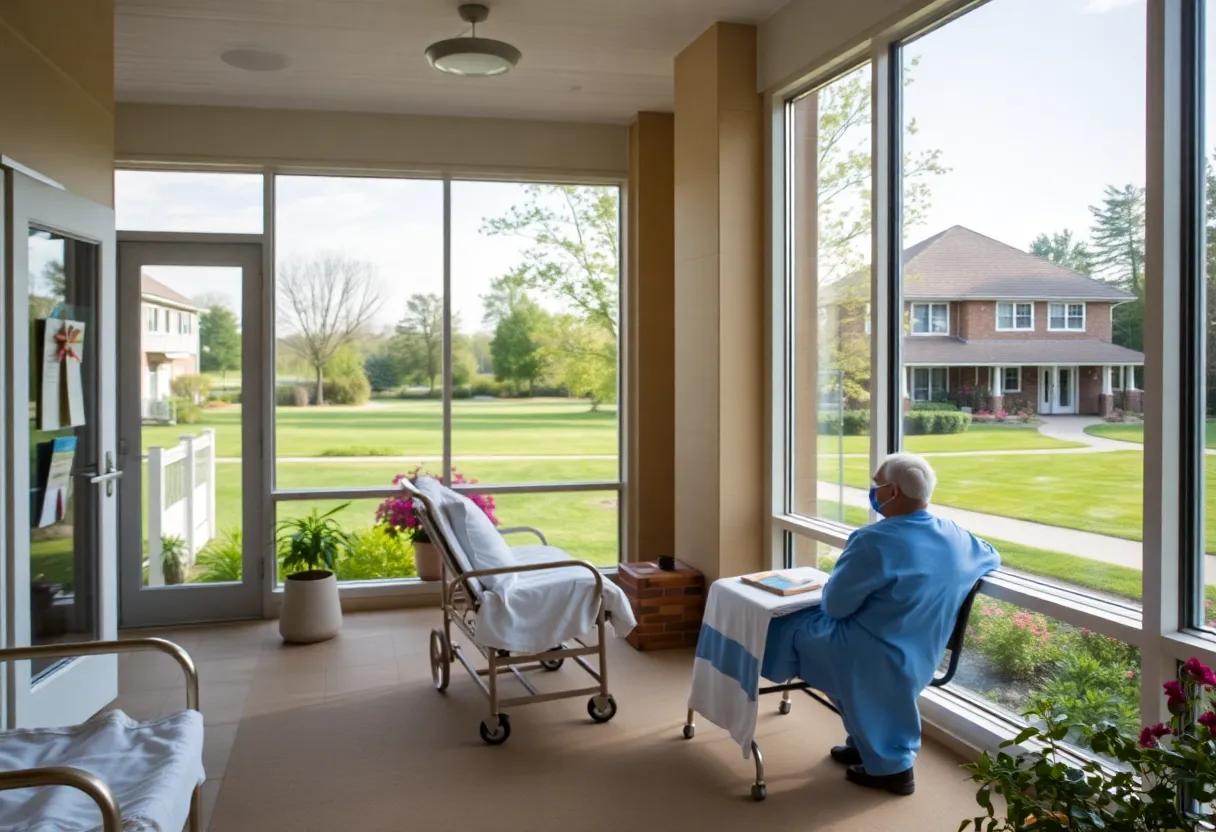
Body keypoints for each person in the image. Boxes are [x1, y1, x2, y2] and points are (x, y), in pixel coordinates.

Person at [761, 452, 1000, 796]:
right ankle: (865, 740)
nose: (872, 490)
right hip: (922, 653)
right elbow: (992, 554)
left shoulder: (872, 540)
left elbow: (837, 606)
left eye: (876, 484)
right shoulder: (957, 535)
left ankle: (892, 769)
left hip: (872, 653)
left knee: (788, 628)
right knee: (825, 649)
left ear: (892, 492)